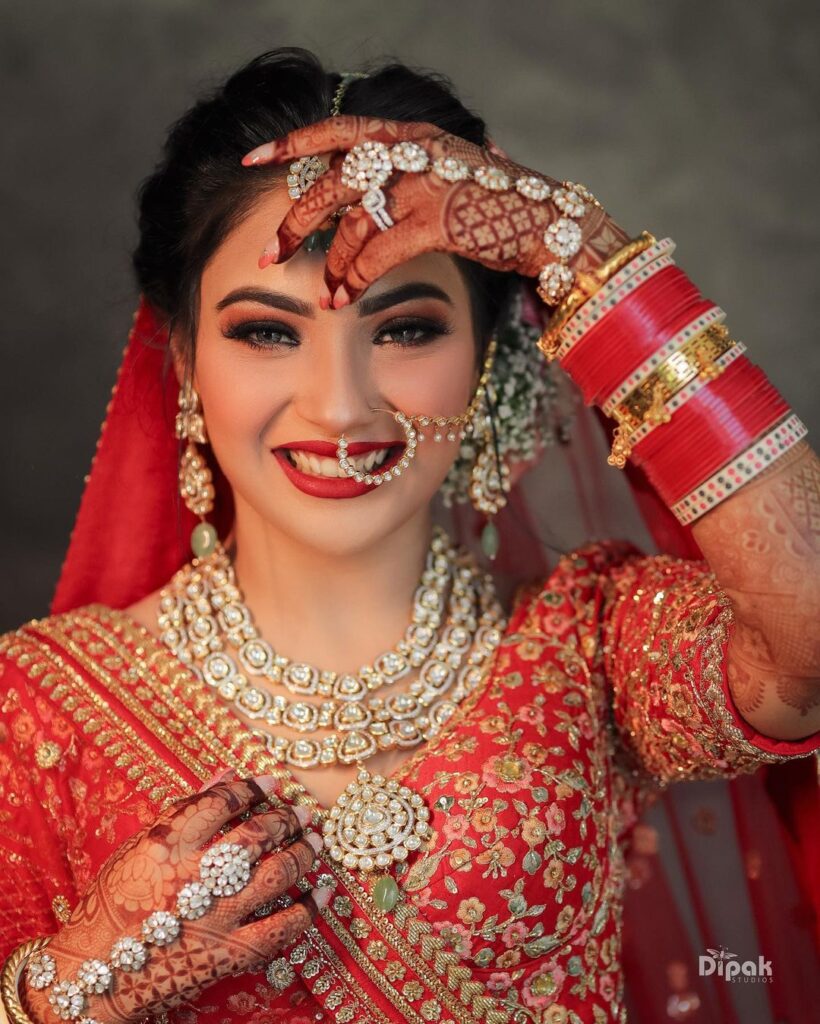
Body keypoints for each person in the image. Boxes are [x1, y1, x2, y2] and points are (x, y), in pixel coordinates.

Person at [0, 47, 817, 1024]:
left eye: (405, 330)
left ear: (487, 361)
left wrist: (585, 253)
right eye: (267, 331)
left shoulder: (592, 644)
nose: (340, 408)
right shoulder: (41, 709)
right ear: (183, 360)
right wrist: (79, 982)